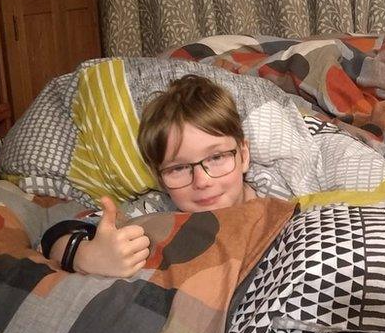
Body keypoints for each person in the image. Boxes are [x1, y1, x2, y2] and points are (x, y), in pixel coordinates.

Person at [40, 74, 256, 277]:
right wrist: (86, 256)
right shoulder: (157, 207)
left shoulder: (277, 196)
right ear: (160, 178)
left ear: (244, 156)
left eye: (216, 157)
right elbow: (54, 239)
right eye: (178, 168)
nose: (202, 181)